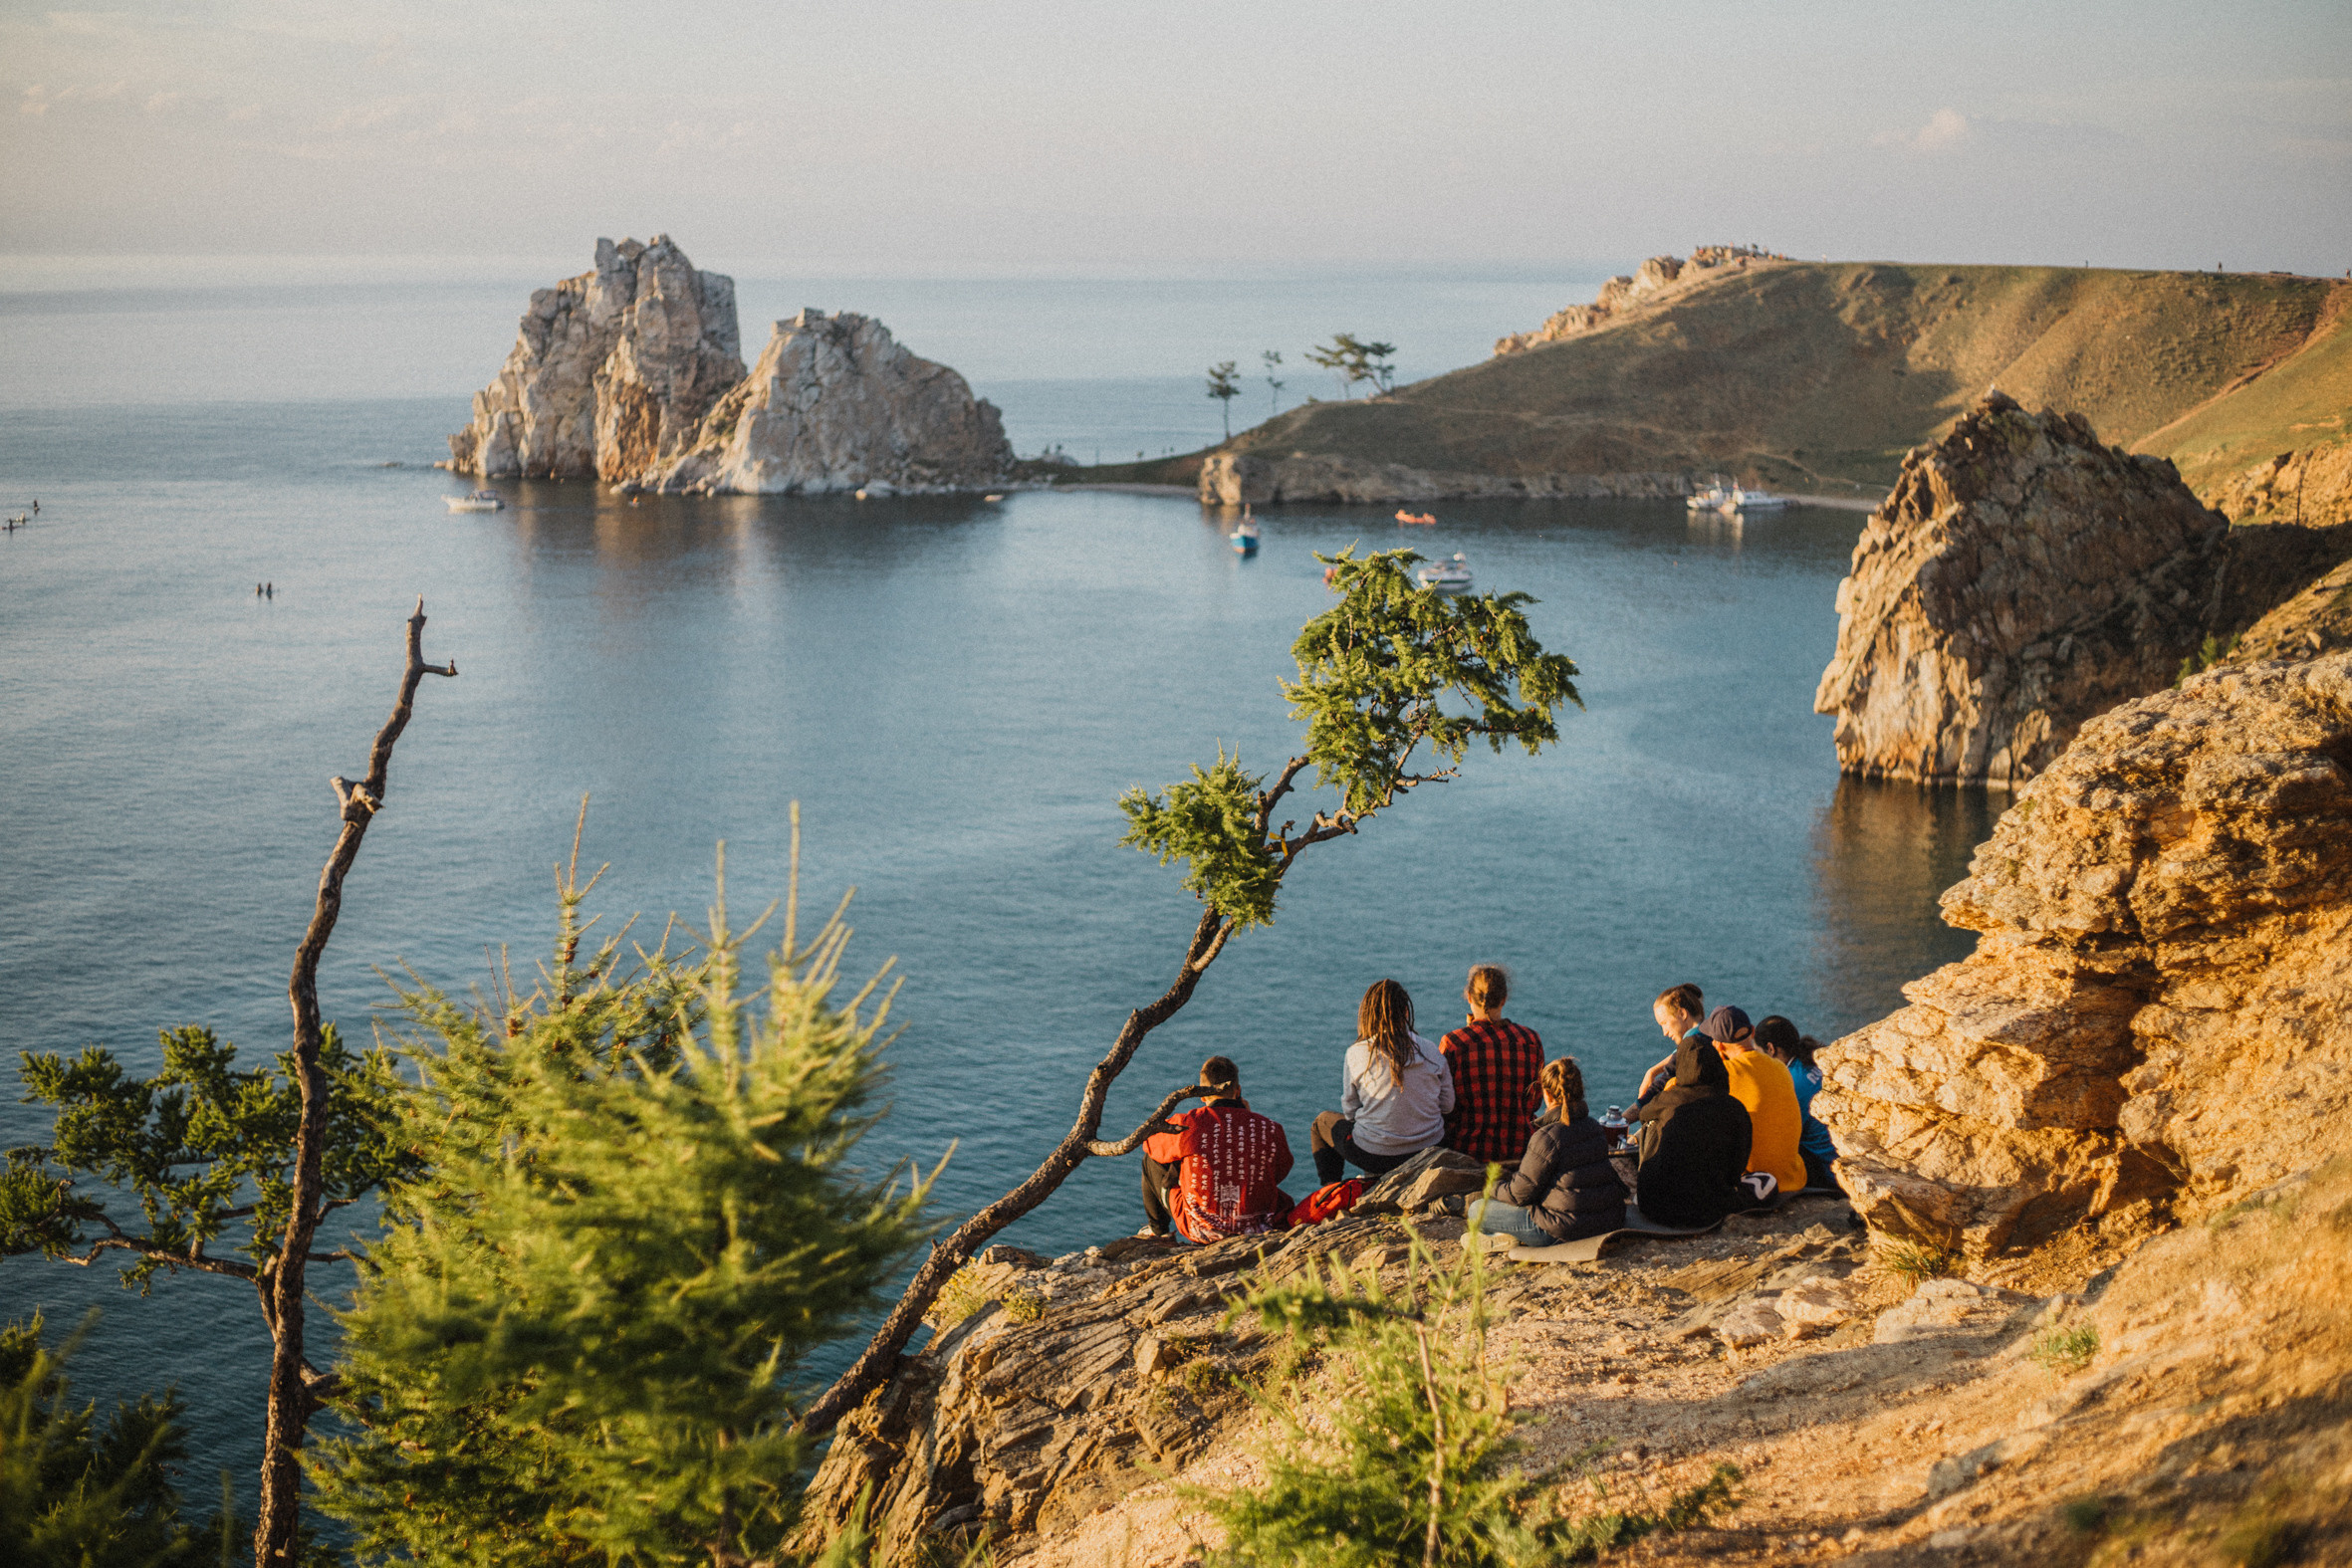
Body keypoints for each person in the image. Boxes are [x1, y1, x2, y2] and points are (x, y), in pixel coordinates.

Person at [1311, 979, 1455, 1186]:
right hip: (1429, 1151)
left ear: (1369, 1014)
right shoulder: (1431, 1050)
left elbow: (1350, 1111)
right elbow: (1448, 1105)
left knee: (1321, 1123)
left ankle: (1330, 1192)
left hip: (1375, 1156)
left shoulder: (1357, 1053)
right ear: (1406, 1012)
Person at [1469, 1057, 1627, 1245]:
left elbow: (1519, 1194)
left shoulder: (1547, 1137)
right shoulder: (1594, 1127)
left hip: (1563, 1230)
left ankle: (1506, 1239)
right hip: (1607, 1220)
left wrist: (1492, 1186)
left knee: (1476, 1209)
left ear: (1548, 1095)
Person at [1140, 1055, 1294, 1242]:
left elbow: (1150, 1144)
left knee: (1151, 1159)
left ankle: (1159, 1232)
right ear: (1238, 1091)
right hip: (1258, 1224)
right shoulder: (1269, 1128)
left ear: (1202, 1095)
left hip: (1201, 1228)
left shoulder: (1189, 1124)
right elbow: (1281, 1169)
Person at [1631, 1030, 1760, 1227]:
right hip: (1708, 1211)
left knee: (1652, 1126)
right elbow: (1737, 1166)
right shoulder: (1735, 1109)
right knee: (1767, 1182)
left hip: (1653, 1208)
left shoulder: (1666, 1101)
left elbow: (1643, 1115)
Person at [1439, 964, 1544, 1168]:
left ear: (1469, 997)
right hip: (1521, 1153)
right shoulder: (1530, 1040)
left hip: (1468, 1154)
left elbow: (1444, 1106)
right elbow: (1534, 1102)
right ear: (1503, 999)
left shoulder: (1454, 1043)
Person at [1704, 1006, 1805, 1198]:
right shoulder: (1780, 1068)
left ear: (1718, 1045)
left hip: (1755, 1182)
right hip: (1792, 1178)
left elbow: (1674, 1089)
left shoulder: (1725, 1073)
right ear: (1752, 1031)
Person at [1756, 1014, 1840, 1193]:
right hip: (1839, 1152)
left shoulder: (1791, 1083)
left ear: (1770, 1049)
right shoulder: (1813, 1062)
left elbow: (1783, 1141)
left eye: (1759, 1052)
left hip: (1828, 1171)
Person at [1635, 983, 1707, 1105]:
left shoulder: (1695, 1046)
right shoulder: (1709, 1034)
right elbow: (1677, 1054)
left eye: (1665, 1023)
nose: (1665, 1032)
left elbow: (1659, 1086)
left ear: (1682, 1014)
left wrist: (1622, 1119)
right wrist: (1652, 1071)